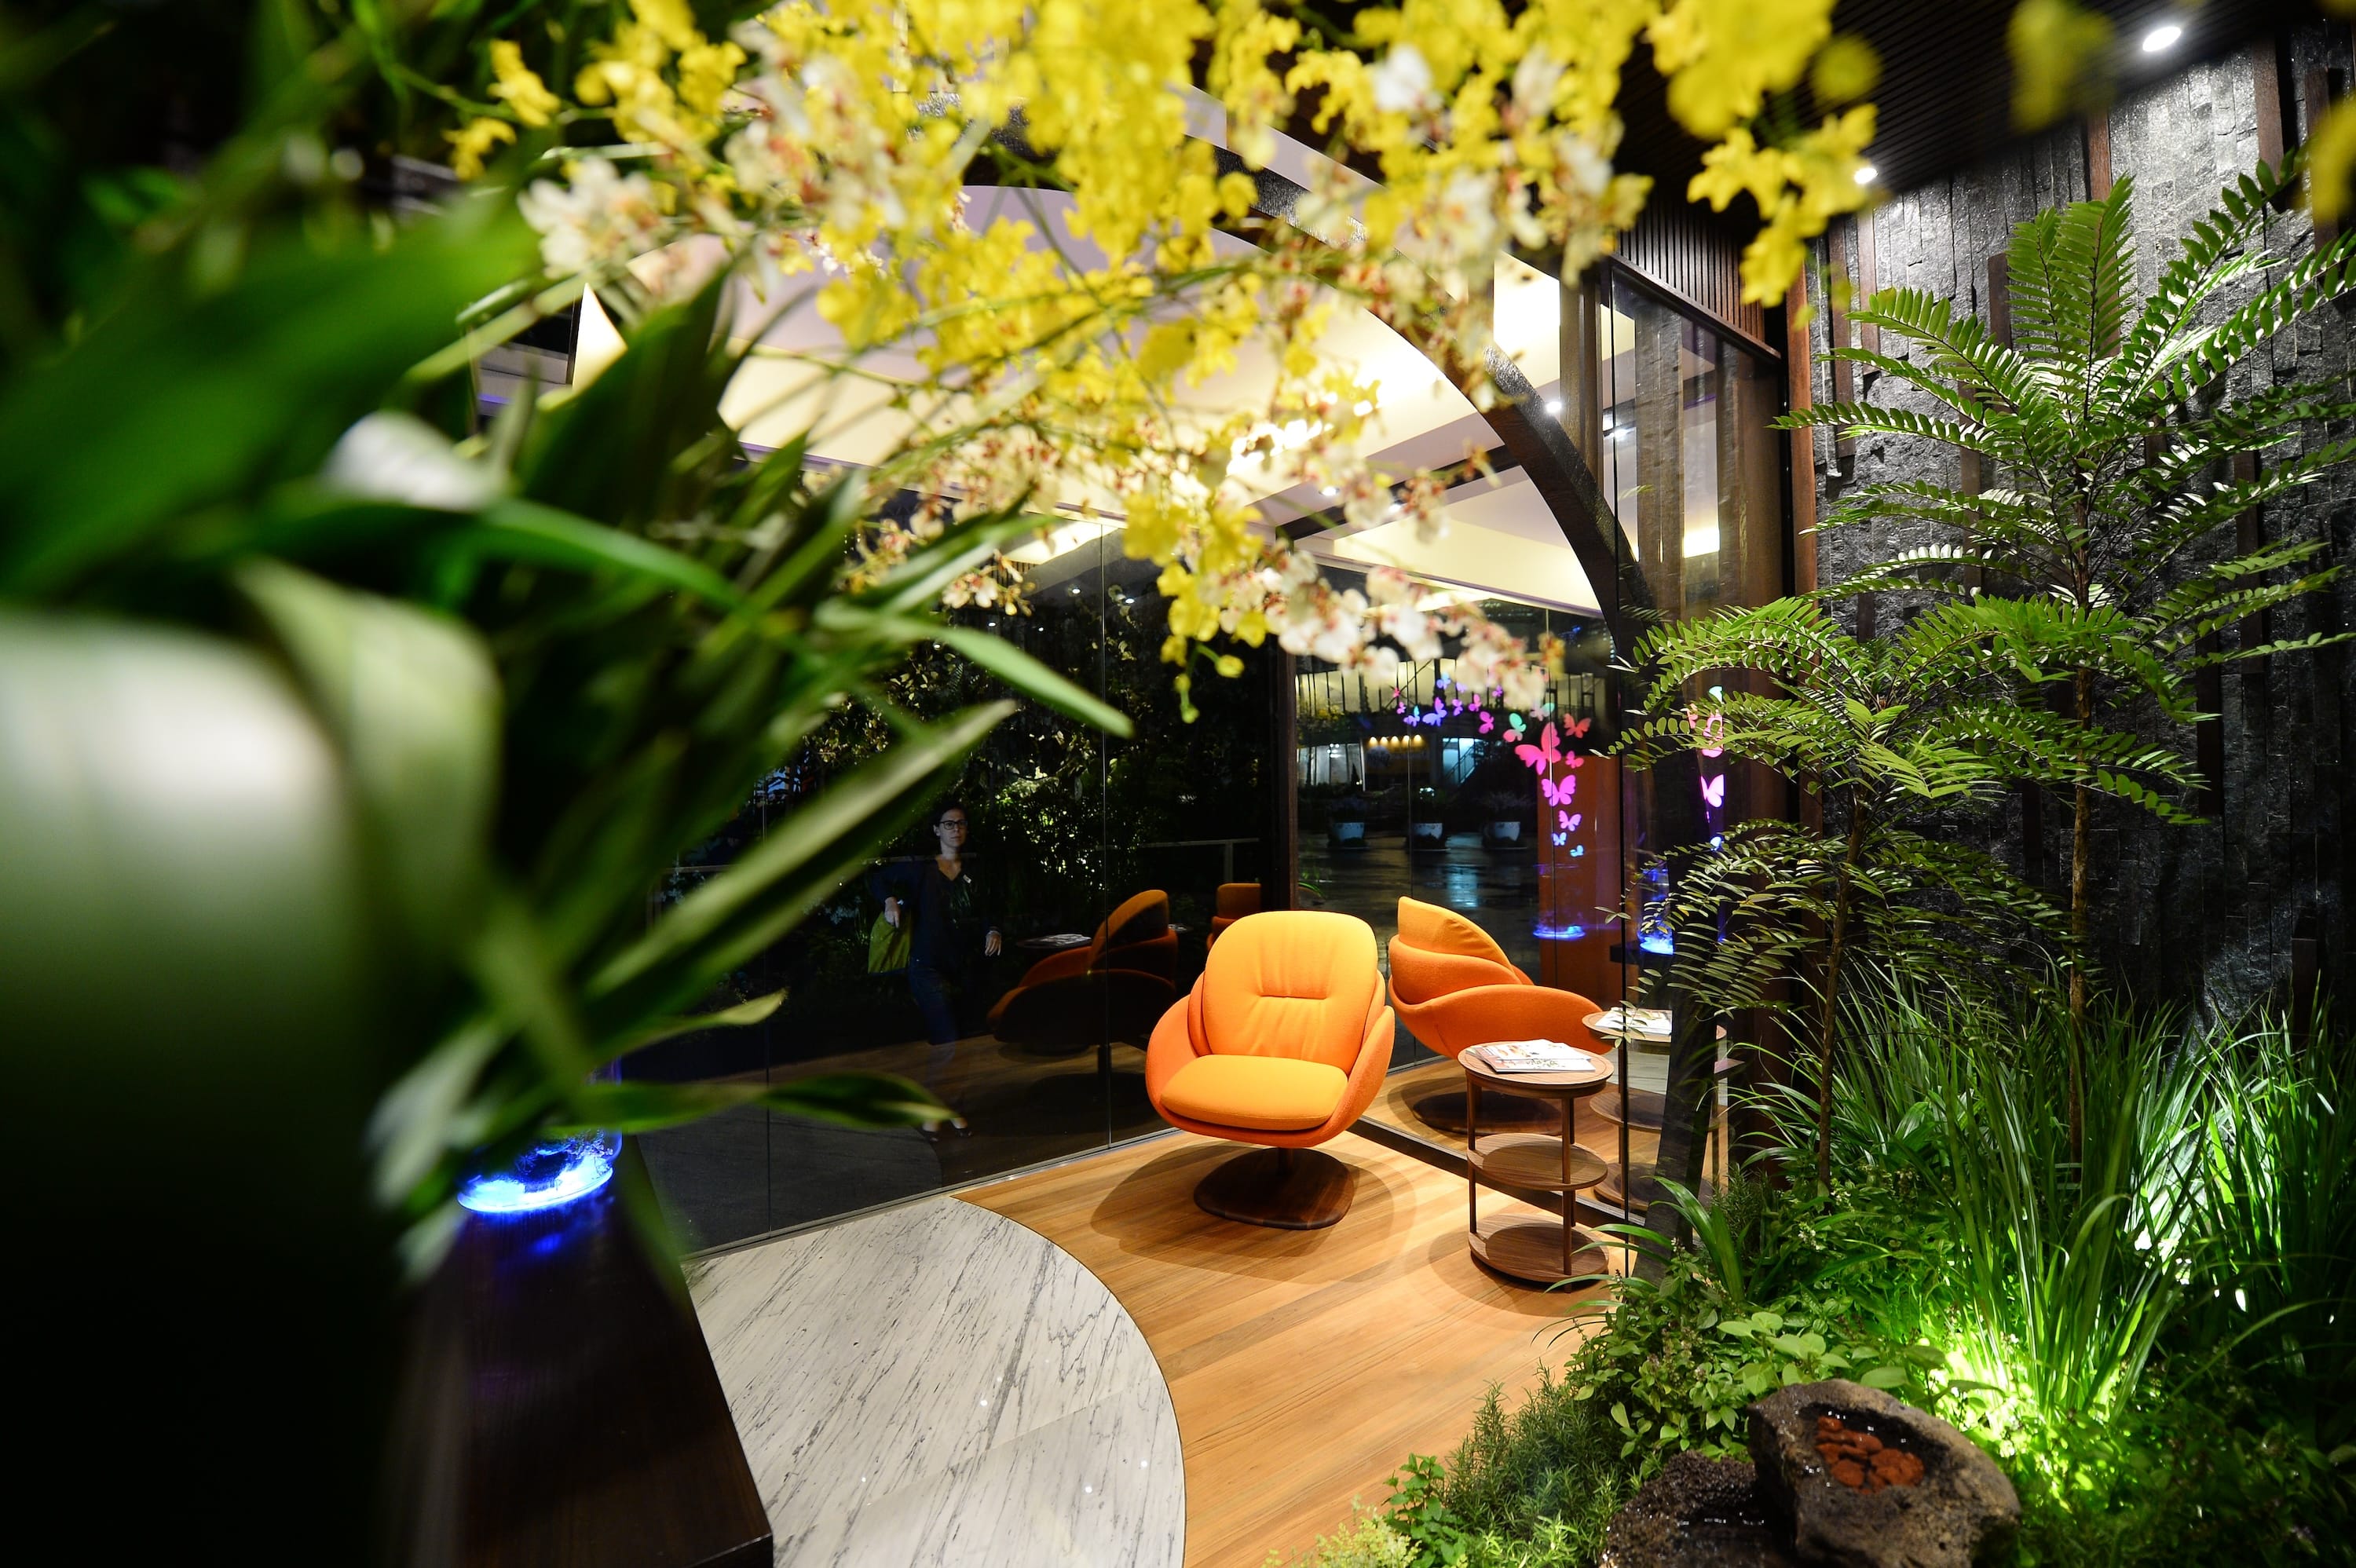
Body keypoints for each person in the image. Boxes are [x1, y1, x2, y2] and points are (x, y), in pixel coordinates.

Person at [869, 802, 1001, 1098]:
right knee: (947, 1039)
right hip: (926, 966)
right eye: (949, 824)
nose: (956, 829)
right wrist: (889, 900)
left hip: (963, 966)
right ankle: (934, 1108)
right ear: (936, 830)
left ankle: (951, 1105)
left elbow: (987, 910)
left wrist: (993, 930)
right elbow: (878, 879)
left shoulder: (973, 871)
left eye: (961, 823)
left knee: (965, 1038)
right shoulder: (922, 869)